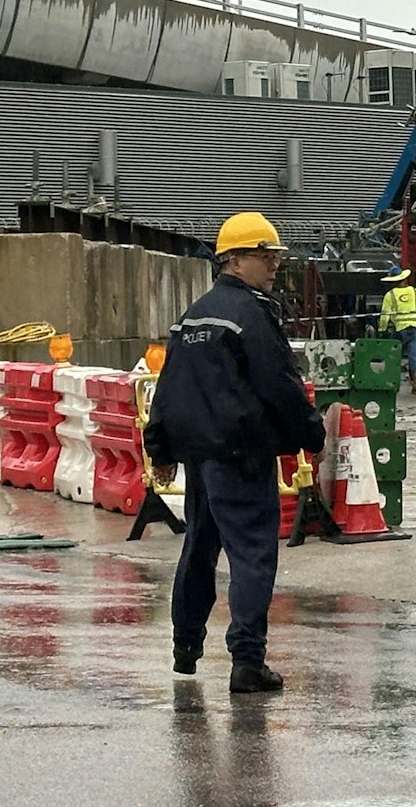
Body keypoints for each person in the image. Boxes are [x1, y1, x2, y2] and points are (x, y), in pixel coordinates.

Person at [144, 211, 325, 695]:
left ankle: (186, 648)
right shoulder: (251, 315)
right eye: (265, 256)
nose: (274, 265)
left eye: (275, 256)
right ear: (235, 260)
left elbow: (170, 386)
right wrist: (312, 435)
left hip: (201, 458)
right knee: (252, 555)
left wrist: (160, 447)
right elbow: (280, 383)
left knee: (199, 549)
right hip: (241, 455)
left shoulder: (194, 316)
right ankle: (247, 660)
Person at [377, 266, 416, 394]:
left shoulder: (390, 295)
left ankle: (391, 383)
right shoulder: (415, 292)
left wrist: (382, 330)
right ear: (404, 279)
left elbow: (385, 316)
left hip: (399, 330)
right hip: (414, 329)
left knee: (392, 356)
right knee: (414, 356)